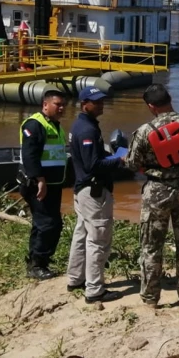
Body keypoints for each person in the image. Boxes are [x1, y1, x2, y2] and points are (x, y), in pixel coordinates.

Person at [124, 84, 179, 309]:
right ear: (170, 98)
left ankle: (151, 299)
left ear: (151, 106)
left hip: (157, 191)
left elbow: (132, 164)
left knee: (151, 246)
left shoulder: (144, 131)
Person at [66, 86, 123, 303]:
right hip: (94, 192)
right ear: (84, 104)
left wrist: (109, 154)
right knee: (98, 240)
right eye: (96, 102)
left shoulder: (82, 125)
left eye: (101, 101)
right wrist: (120, 159)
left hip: (82, 190)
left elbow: (90, 159)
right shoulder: (87, 130)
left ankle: (75, 278)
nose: (100, 105)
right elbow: (93, 165)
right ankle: (95, 290)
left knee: (81, 235)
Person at [18, 87, 69, 280]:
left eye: (64, 105)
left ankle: (36, 259)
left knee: (43, 223)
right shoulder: (34, 124)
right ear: (45, 105)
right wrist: (40, 180)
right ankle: (37, 265)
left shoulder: (54, 124)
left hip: (53, 183)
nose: (62, 108)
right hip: (38, 184)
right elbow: (29, 154)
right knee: (49, 224)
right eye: (58, 104)